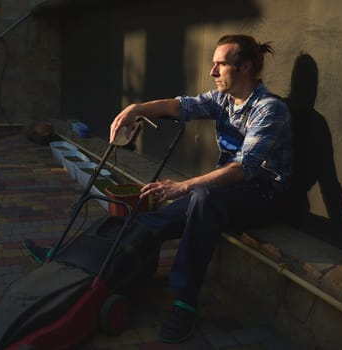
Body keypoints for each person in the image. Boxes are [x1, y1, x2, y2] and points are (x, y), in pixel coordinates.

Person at [109, 34, 292, 344]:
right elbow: (179, 106)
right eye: (213, 64)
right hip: (223, 193)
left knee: (201, 196)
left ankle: (184, 300)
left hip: (263, 195)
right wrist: (136, 109)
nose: (212, 72)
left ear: (244, 66)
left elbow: (242, 169)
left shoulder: (269, 109)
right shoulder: (222, 99)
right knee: (153, 220)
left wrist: (184, 186)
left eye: (220, 64)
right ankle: (98, 270)